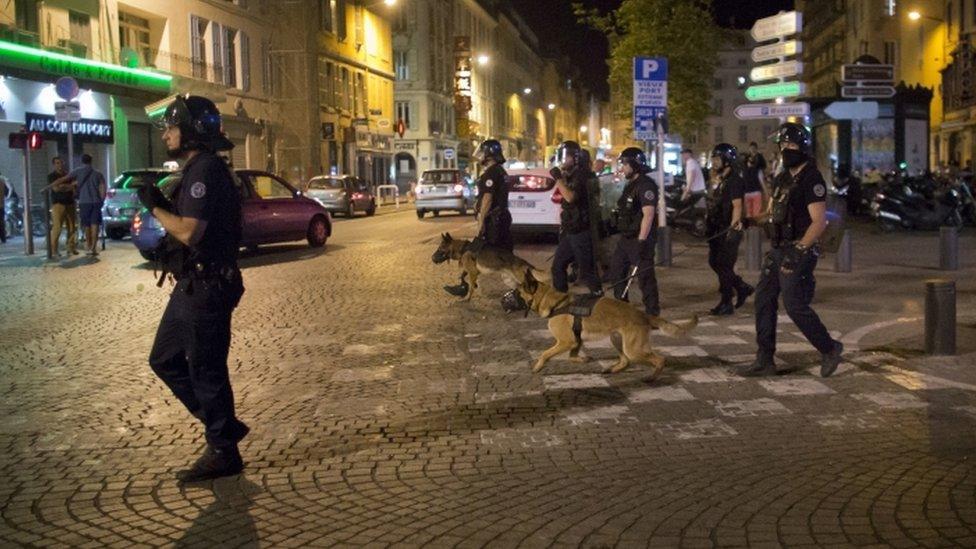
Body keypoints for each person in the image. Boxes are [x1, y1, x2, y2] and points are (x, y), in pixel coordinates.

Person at [138, 94, 249, 481]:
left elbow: (188, 231)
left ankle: (223, 450)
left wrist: (154, 206)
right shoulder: (196, 169)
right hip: (192, 283)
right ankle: (224, 428)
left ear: (191, 130)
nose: (166, 133)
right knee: (164, 358)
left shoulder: (204, 170)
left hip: (208, 284)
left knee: (205, 369)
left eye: (172, 126)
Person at [740, 122, 844, 378]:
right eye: (783, 145)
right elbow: (771, 213)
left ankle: (830, 348)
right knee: (763, 301)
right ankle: (765, 359)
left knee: (795, 305)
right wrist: (752, 220)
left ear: (803, 148)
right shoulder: (782, 177)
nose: (786, 150)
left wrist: (799, 249)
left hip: (800, 249)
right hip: (777, 249)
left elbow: (819, 222)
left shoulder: (812, 179)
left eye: (791, 145)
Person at [443, 139, 512, 296]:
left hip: (494, 221)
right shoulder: (501, 172)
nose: (480, 157)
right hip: (501, 219)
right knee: (500, 256)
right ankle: (464, 283)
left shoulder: (491, 173)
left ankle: (523, 291)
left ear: (488, 154)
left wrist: (481, 222)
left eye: (482, 153)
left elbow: (488, 198)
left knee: (483, 253)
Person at [608, 147, 660, 315]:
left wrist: (642, 241)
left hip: (640, 237)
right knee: (617, 271)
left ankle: (652, 313)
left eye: (624, 164)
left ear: (635, 165)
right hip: (626, 237)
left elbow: (649, 214)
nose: (622, 168)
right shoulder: (631, 185)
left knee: (645, 277)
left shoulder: (646, 185)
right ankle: (622, 308)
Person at [705, 144, 753, 316]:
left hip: (727, 228)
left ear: (727, 161)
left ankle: (726, 303)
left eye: (718, 159)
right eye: (713, 159)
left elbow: (737, 206)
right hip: (715, 228)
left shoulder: (734, 181)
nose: (714, 162)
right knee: (714, 262)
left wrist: (732, 229)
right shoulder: (719, 179)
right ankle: (741, 286)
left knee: (724, 266)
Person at [550, 141, 603, 295]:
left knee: (587, 271)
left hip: (581, 230)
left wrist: (559, 179)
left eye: (565, 157)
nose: (562, 160)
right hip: (571, 229)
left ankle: (598, 299)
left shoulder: (582, 175)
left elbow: (570, 197)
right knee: (558, 266)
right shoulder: (574, 174)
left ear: (575, 158)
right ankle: (560, 299)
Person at [51, 154, 106, 255]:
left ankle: (88, 246)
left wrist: (51, 185)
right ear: (91, 161)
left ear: (82, 161)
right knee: (95, 224)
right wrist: (102, 200)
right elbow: (103, 187)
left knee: (87, 225)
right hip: (95, 202)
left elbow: (63, 180)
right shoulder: (98, 174)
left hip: (84, 202)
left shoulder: (78, 171)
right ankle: (93, 247)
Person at [47, 157, 78, 257]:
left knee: (72, 227)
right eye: (57, 163)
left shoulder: (68, 175)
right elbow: (56, 188)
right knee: (57, 227)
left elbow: (74, 187)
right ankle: (54, 250)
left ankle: (71, 248)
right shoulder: (51, 176)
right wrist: (68, 187)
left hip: (70, 203)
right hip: (58, 204)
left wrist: (63, 187)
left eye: (61, 162)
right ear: (54, 164)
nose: (59, 165)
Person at [0, 173, 7, 244]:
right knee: (1, 222)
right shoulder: (2, 181)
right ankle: (3, 238)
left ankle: (3, 238)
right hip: (1, 205)